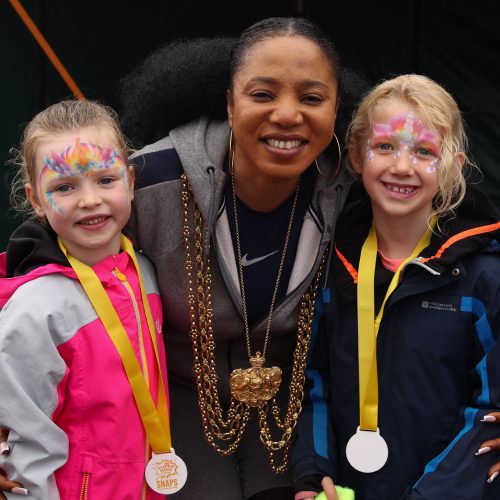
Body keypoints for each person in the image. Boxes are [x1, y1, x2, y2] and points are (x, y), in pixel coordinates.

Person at [292, 74, 500, 500]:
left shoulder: (485, 277)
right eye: (385, 146)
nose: (402, 167)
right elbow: (313, 380)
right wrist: (315, 472)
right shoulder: (331, 264)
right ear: (355, 155)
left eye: (424, 152)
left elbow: (490, 411)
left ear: (453, 167)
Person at [0, 99, 172, 499]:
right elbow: (27, 447)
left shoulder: (144, 271)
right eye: (64, 187)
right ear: (37, 200)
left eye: (105, 180)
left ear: (130, 180)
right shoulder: (35, 309)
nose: (89, 199)